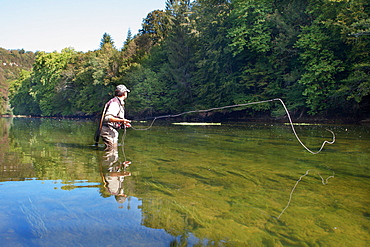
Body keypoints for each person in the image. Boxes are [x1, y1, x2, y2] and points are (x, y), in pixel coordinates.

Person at [100, 84, 132, 150]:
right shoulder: (115, 103)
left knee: (112, 152)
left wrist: (123, 123)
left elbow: (116, 117)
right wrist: (122, 121)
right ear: (124, 93)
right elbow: (107, 118)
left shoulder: (117, 102)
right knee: (111, 152)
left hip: (110, 130)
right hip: (108, 131)